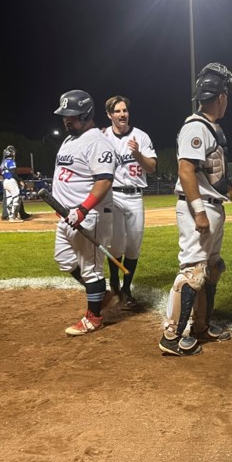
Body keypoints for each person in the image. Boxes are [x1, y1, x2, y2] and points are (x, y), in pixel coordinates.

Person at [159, 62, 232, 357]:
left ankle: (201, 327)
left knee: (211, 270)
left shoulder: (211, 128)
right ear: (221, 97)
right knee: (192, 272)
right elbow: (186, 171)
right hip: (199, 209)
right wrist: (199, 211)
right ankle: (171, 336)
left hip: (211, 205)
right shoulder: (195, 127)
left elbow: (211, 174)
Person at [50, 89, 119, 335]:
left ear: (87, 113)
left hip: (89, 215)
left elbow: (104, 180)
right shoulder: (69, 140)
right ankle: (102, 294)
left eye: (73, 116)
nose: (67, 120)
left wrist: (82, 209)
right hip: (67, 216)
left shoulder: (98, 142)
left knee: (91, 268)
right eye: (64, 116)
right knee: (65, 260)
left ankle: (94, 317)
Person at [102, 95, 158, 310]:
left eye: (124, 110)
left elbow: (152, 167)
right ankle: (115, 282)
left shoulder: (140, 136)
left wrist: (137, 154)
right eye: (117, 111)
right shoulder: (103, 136)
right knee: (115, 244)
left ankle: (126, 288)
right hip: (113, 195)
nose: (122, 114)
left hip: (135, 195)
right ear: (109, 115)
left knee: (134, 245)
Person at [0, 145, 24, 221]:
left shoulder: (3, 163)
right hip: (11, 180)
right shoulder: (11, 161)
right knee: (16, 198)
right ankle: (14, 216)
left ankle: (10, 216)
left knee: (9, 199)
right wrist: (20, 180)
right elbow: (13, 173)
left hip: (5, 181)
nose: (14, 153)